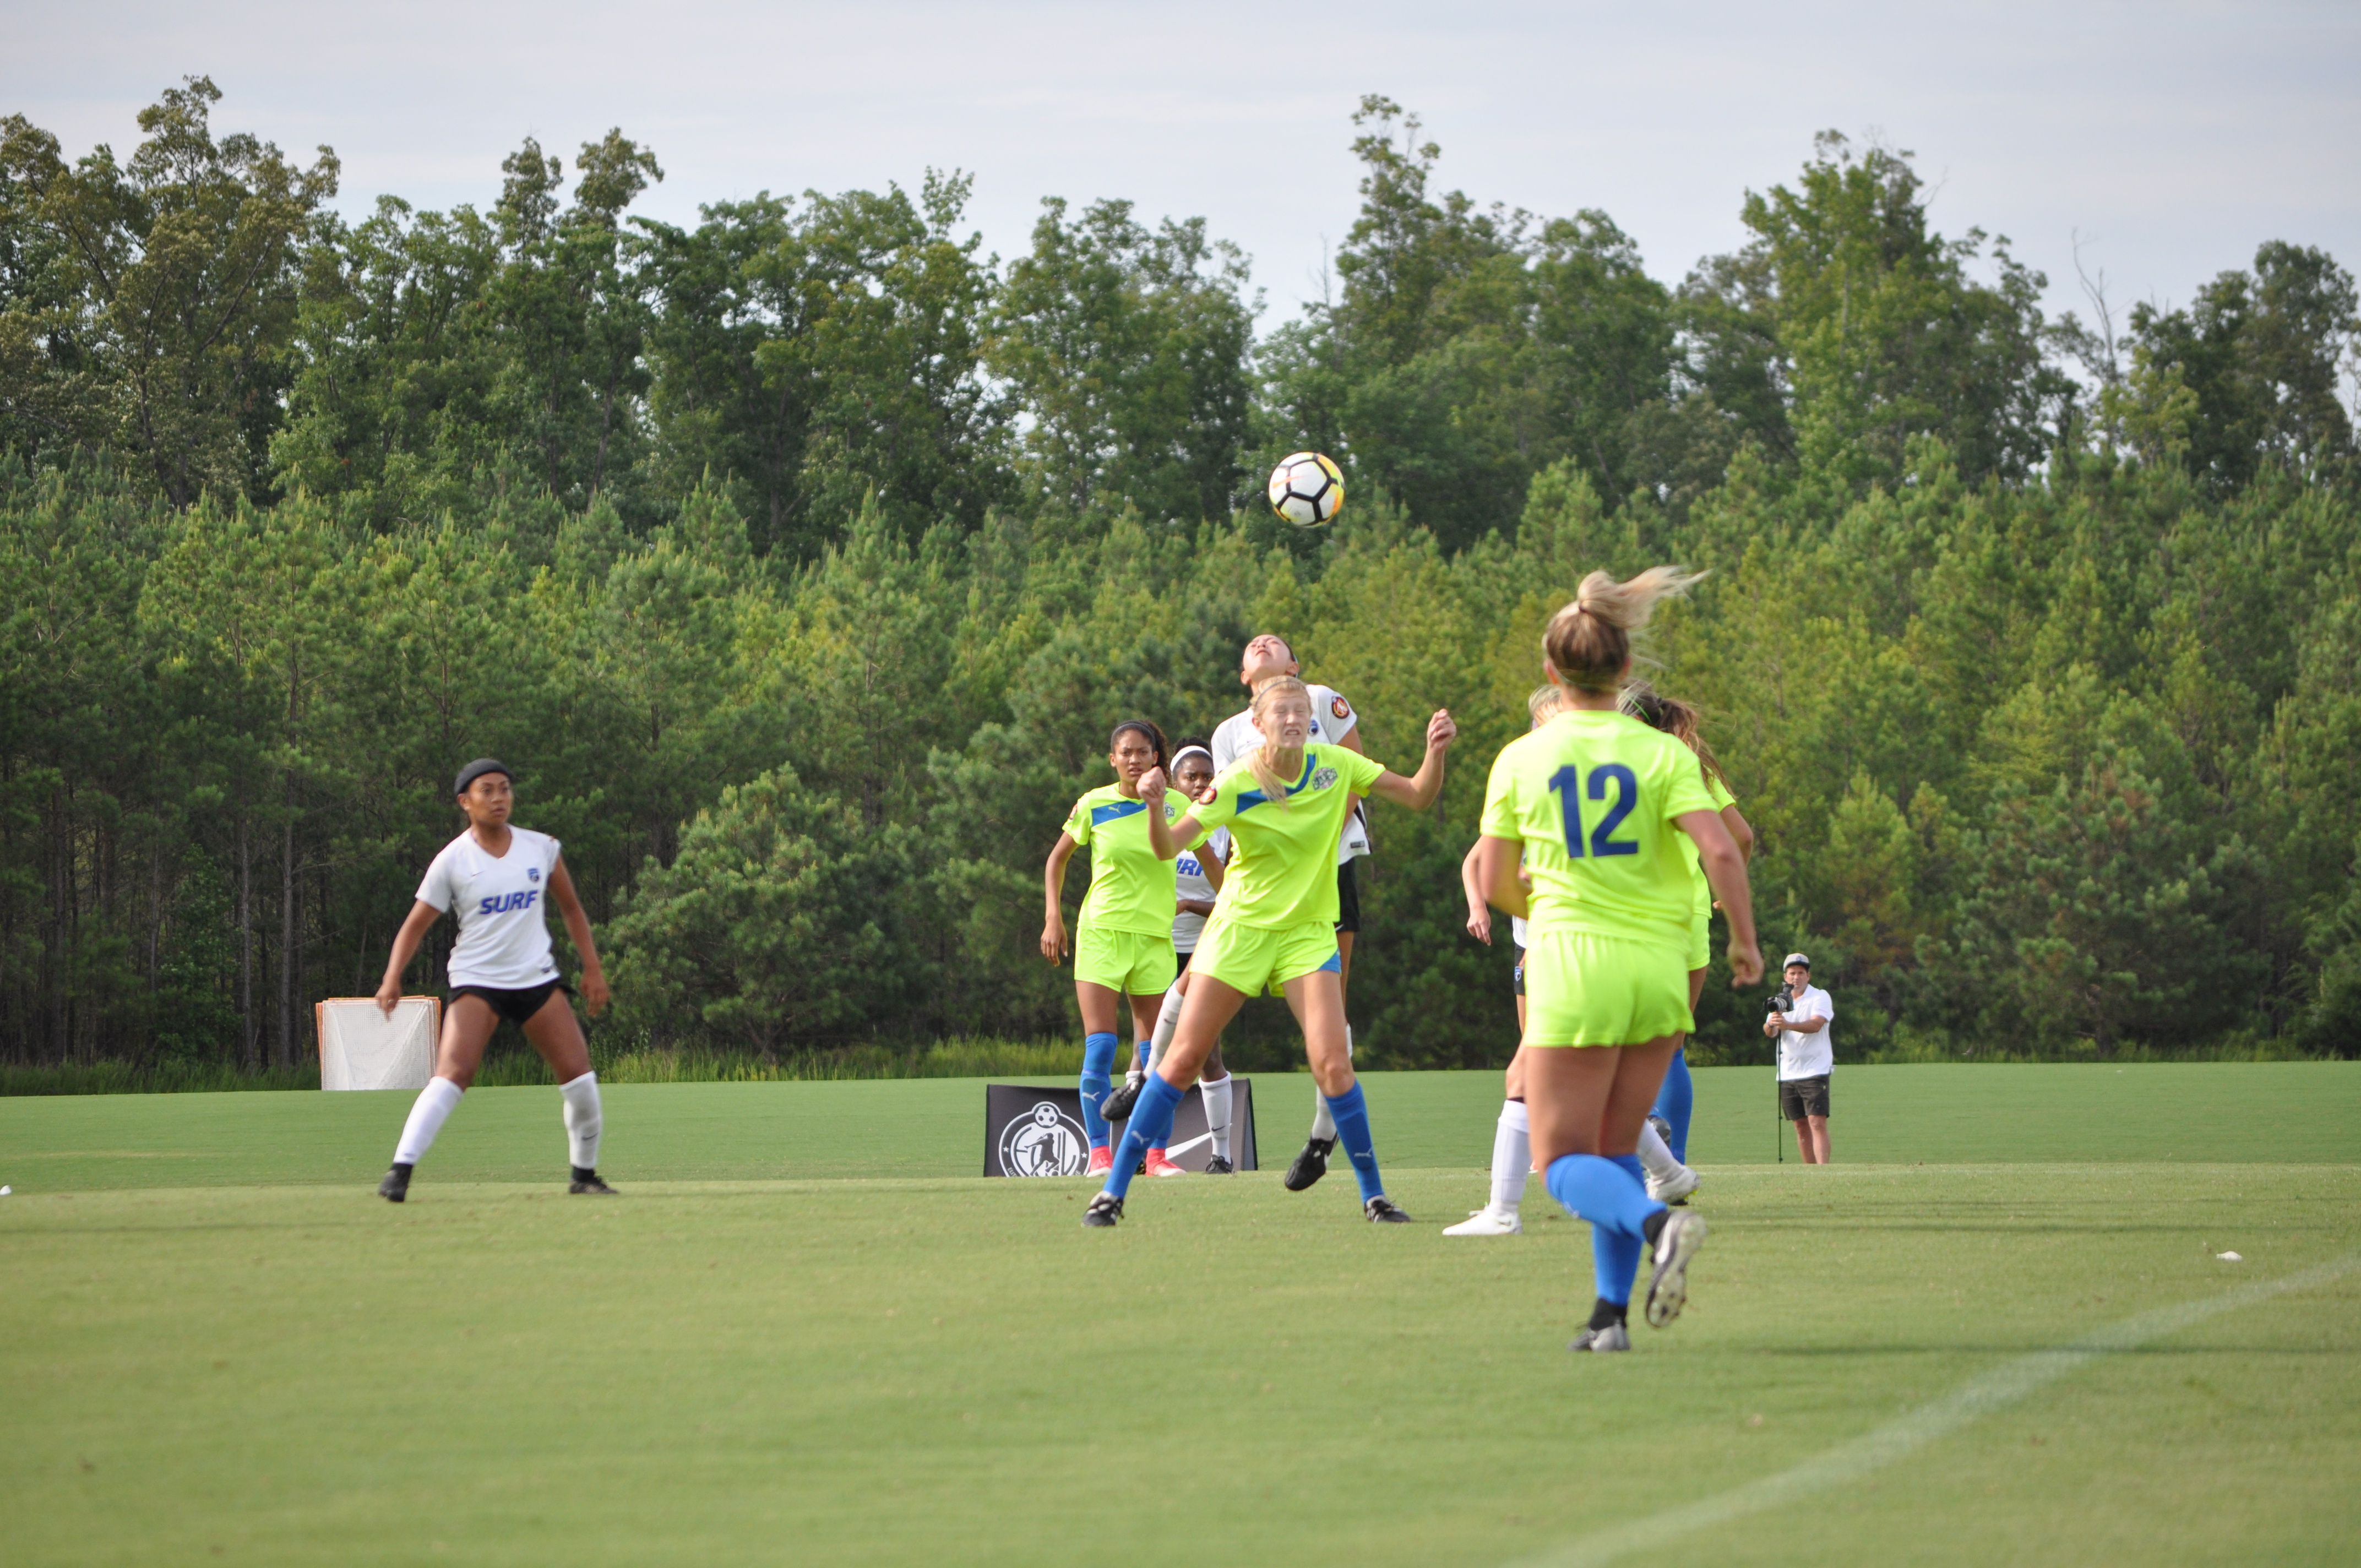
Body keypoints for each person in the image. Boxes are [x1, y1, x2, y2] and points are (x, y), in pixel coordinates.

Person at [1474, 568, 1762, 1352]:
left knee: (1562, 1161)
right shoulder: (1666, 754)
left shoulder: (1521, 759)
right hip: (1661, 969)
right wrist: (1744, 941)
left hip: (1575, 968)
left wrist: (1544, 903)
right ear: (1626, 667)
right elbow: (1723, 851)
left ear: (1551, 671)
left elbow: (1495, 880)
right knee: (1614, 1146)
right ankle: (1609, 1317)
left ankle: (1661, 1225)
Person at [1081, 677, 1456, 1227]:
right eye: (1280, 711)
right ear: (1257, 724)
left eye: (1301, 711)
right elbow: (1167, 847)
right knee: (1183, 1060)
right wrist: (1157, 806)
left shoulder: (1337, 765)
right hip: (1239, 932)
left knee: (1333, 1063)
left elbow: (1419, 794)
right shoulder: (1236, 779)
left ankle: (1374, 1197)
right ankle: (1111, 1194)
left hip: (1307, 935)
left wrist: (1435, 752)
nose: (1293, 719)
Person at [1447, 685, 1702, 1237]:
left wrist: (1538, 899)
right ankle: (1667, 1173)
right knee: (1583, 1081)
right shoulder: (1607, 771)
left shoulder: (1548, 776)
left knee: (1531, 1080)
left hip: (1573, 952)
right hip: (1608, 951)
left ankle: (1510, 1209)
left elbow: (1510, 875)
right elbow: (1723, 847)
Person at [373, 758, 614, 1202]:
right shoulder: (452, 860)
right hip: (478, 980)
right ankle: (399, 1171)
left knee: (580, 1079)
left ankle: (584, 1175)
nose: (499, 798)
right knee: (454, 1073)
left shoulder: (541, 848)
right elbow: (415, 925)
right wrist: (392, 978)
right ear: (465, 802)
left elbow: (571, 908)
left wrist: (592, 967)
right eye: (487, 790)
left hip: (536, 979)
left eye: (505, 789)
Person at [1209, 633, 1370, 1192]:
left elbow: (1360, 773)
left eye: (1275, 642)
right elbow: (1227, 811)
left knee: (1332, 1011)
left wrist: (1321, 843)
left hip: (1328, 871)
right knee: (1199, 990)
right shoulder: (1228, 733)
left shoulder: (1321, 699)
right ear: (1244, 678)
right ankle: (1144, 1076)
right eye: (1254, 644)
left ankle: (1323, 1136)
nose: (1263, 641)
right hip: (1258, 889)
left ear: (1295, 667)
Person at [1042, 720, 1194, 1178]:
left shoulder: (1178, 805)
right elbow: (1057, 859)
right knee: (1102, 1047)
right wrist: (1053, 918)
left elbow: (1215, 864)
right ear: (1113, 760)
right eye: (1125, 752)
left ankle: (1156, 1157)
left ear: (1156, 759)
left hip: (1154, 938)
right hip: (1102, 934)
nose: (1134, 759)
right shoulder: (1094, 803)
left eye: (1142, 752)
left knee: (1156, 1055)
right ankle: (1099, 1156)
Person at [1625, 680, 1756, 1197]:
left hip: (1630, 916)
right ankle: (1672, 1169)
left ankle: (1639, 1154)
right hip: (1691, 914)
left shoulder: (1609, 763)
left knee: (1620, 1045)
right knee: (1672, 1048)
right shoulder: (1690, 763)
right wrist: (1727, 894)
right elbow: (1740, 837)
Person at [1103, 741, 1241, 1172]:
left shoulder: (1224, 829)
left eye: (1207, 776)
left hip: (1205, 951)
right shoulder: (1156, 821)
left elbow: (1237, 899)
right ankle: (1135, 1155)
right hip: (1156, 946)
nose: (1200, 783)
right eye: (1190, 776)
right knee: (1145, 1050)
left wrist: (1190, 906)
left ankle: (1222, 1156)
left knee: (1208, 1055)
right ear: (1173, 783)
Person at [1766, 954, 1834, 1162]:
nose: (1796, 977)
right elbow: (1770, 1032)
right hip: (1788, 1071)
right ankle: (1810, 1171)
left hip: (1815, 1069)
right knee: (1800, 1124)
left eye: (1801, 973)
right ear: (1785, 977)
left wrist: (1788, 1025)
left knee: (1816, 1122)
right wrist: (1772, 1024)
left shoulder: (1819, 996)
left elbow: (1816, 1024)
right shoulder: (1780, 1001)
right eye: (1792, 973)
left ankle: (1823, 1170)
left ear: (1808, 976)